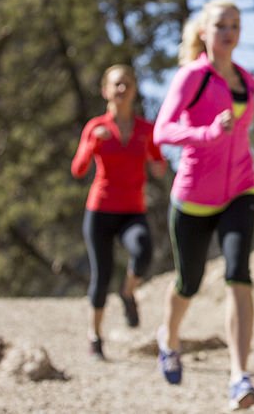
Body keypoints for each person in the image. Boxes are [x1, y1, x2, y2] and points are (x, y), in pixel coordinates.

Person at [153, 0, 254, 411]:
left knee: (238, 273)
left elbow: (241, 135)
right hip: (194, 196)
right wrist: (207, 133)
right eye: (220, 25)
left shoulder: (248, 82)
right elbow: (164, 129)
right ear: (204, 31)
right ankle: (169, 336)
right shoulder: (192, 76)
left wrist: (248, 170)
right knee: (189, 281)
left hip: (241, 189)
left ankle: (239, 376)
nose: (229, 31)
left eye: (235, 24)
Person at [71, 64, 167, 361]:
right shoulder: (95, 127)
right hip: (100, 210)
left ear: (135, 90)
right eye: (116, 84)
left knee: (143, 251)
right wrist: (91, 144)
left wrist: (158, 165)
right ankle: (95, 337)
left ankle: (127, 292)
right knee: (100, 277)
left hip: (131, 211)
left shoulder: (145, 129)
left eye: (127, 84)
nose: (122, 89)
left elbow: (158, 163)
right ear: (105, 91)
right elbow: (78, 169)